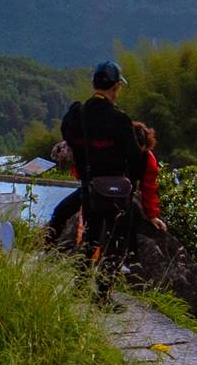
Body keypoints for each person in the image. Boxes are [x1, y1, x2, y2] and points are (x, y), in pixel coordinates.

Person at [53, 62, 147, 286]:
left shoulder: (78, 114)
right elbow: (135, 157)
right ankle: (102, 294)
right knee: (117, 241)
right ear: (116, 87)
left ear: (93, 84)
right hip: (118, 189)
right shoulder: (120, 119)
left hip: (90, 186)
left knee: (90, 236)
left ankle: (80, 284)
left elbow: (68, 134)